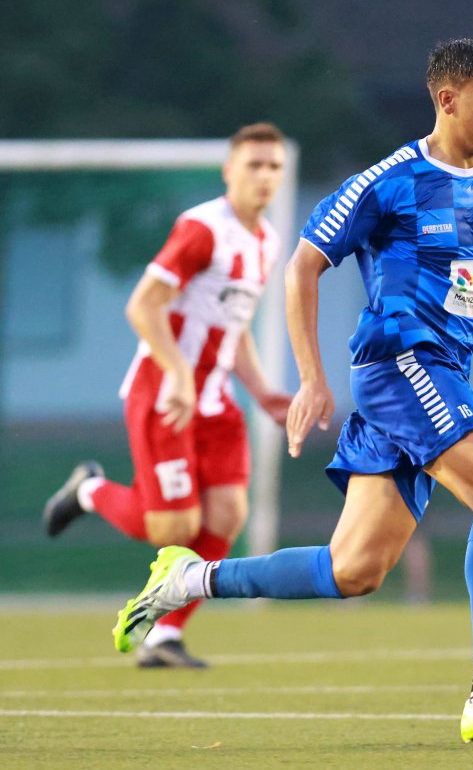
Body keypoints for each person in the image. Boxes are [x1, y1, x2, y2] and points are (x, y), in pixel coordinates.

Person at [111, 39, 473, 743]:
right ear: (447, 99)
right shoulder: (389, 182)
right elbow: (303, 266)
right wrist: (311, 378)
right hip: (400, 365)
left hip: (436, 377)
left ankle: (187, 580)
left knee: (353, 570)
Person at [43, 123, 292, 669]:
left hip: (216, 401)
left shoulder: (266, 242)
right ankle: (90, 490)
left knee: (226, 515)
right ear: (229, 171)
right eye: (254, 165)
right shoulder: (203, 229)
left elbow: (236, 326)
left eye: (273, 166)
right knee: (171, 529)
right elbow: (143, 306)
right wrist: (179, 373)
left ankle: (163, 636)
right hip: (165, 393)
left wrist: (264, 393)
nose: (265, 176)